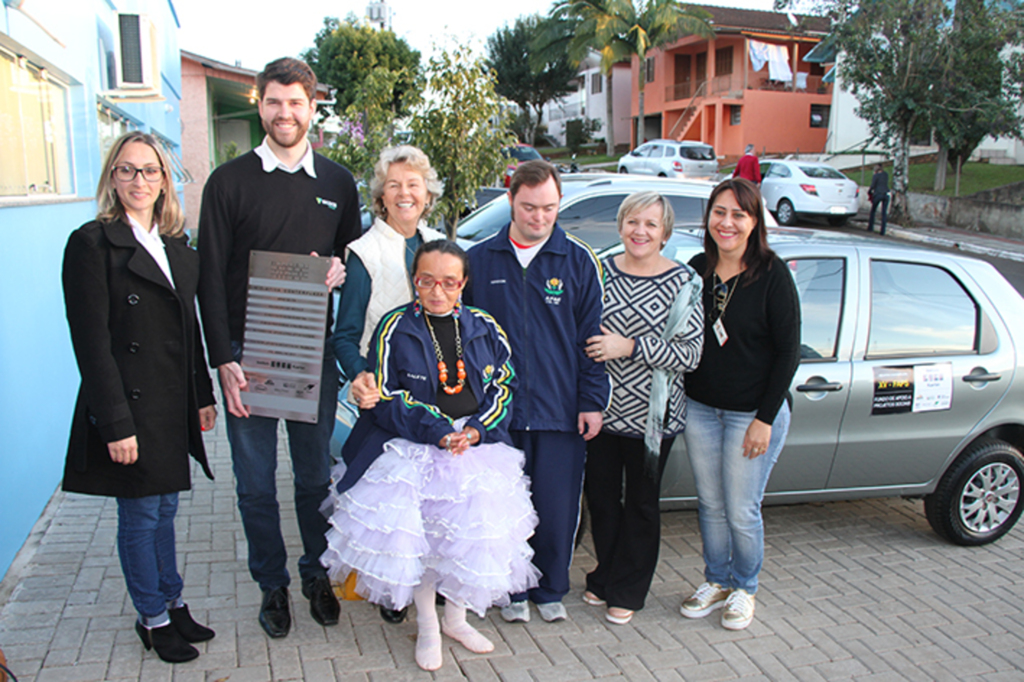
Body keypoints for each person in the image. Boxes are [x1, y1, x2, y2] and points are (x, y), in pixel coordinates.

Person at [197, 57, 361, 639]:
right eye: (274, 101)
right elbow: (210, 277)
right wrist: (224, 359)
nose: (284, 113)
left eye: (296, 102)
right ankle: (272, 584)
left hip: (310, 350)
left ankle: (317, 572)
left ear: (313, 108)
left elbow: (352, 261)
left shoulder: (338, 183)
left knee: (316, 478)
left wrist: (340, 270)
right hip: (247, 355)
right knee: (255, 483)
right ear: (259, 104)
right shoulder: (229, 181)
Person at [322, 240, 537, 671]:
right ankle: (428, 626)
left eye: (449, 282)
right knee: (419, 544)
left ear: (464, 283)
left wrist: (476, 430)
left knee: (465, 541)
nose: (437, 291)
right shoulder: (393, 326)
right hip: (413, 448)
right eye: (426, 281)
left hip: (475, 449)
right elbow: (386, 395)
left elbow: (504, 386)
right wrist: (439, 432)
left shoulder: (484, 326)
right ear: (414, 280)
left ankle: (455, 619)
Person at [62, 132, 217, 663]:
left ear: (164, 180)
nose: (138, 181)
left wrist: (202, 395)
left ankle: (172, 602)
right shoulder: (91, 244)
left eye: (149, 171)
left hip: (172, 402)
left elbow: (188, 328)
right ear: (112, 178)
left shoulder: (178, 247)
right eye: (126, 171)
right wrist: (115, 423)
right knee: (142, 514)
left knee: (167, 507)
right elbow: (91, 344)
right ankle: (151, 618)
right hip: (130, 405)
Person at [464, 159, 611, 623]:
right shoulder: (480, 260)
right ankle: (512, 592)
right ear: (510, 201)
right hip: (498, 414)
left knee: (555, 508)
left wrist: (591, 401)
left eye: (549, 208)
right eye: (529, 207)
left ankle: (549, 591)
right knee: (504, 509)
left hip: (559, 411)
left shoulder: (578, 259)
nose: (540, 217)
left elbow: (593, 339)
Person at [679, 177, 800, 630]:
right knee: (710, 503)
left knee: (741, 507)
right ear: (709, 217)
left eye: (738, 214)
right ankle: (717, 580)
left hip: (753, 412)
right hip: (701, 409)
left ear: (754, 222)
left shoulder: (772, 274)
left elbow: (789, 352)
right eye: (719, 212)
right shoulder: (696, 269)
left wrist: (765, 419)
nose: (727, 222)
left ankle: (745, 587)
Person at [581, 192, 704, 626]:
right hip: (601, 412)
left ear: (665, 234)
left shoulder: (684, 283)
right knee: (601, 499)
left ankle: (629, 590)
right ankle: (606, 574)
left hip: (654, 420)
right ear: (620, 226)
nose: (640, 231)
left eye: (651, 224)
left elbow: (690, 354)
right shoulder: (599, 274)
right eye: (633, 221)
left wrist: (628, 347)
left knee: (641, 504)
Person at [333, 145, 445, 623]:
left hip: (438, 398)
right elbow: (344, 333)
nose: (404, 193)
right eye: (394, 184)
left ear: (427, 195)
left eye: (413, 184)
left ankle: (428, 584)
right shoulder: (364, 252)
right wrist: (362, 377)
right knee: (391, 504)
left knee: (433, 498)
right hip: (385, 397)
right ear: (380, 196)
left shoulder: (441, 245)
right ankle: (389, 587)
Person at [867, 164, 890, 236]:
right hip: (886, 194)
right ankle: (883, 230)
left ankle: (870, 227)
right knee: (884, 213)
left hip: (878, 194)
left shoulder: (876, 176)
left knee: (873, 211)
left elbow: (873, 186)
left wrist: (869, 191)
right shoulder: (886, 175)